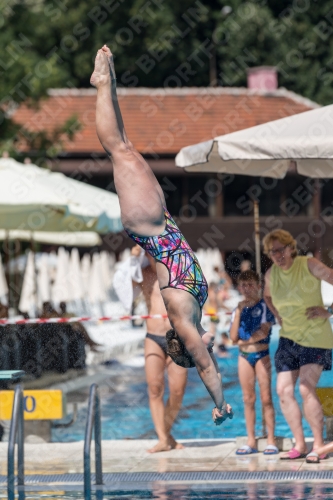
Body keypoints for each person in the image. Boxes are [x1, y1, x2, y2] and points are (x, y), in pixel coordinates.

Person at [91, 45, 232, 425]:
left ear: (189, 347)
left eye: (203, 350)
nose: (212, 350)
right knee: (126, 148)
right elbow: (209, 359)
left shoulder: (184, 320)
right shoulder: (196, 312)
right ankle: (109, 82)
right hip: (160, 221)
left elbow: (205, 368)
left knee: (120, 151)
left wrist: (219, 403)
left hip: (149, 226)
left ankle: (102, 82)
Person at [263, 229, 333, 461]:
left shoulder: (308, 264)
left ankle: (319, 446)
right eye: (272, 252)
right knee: (283, 390)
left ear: (291, 248)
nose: (277, 255)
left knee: (305, 387)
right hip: (288, 338)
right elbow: (267, 297)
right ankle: (300, 444)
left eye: (280, 250)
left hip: (316, 337)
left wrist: (329, 311)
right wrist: (277, 315)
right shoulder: (271, 274)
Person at [131, 245, 187, 453]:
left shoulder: (177, 275)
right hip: (153, 337)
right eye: (149, 253)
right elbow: (124, 288)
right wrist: (132, 260)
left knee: (178, 390)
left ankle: (166, 433)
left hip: (176, 337)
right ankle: (163, 438)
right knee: (154, 388)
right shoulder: (144, 275)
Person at [230, 270, 276, 455]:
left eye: (251, 285)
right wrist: (240, 311)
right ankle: (251, 440)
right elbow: (233, 337)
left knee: (266, 398)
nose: (247, 289)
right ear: (239, 287)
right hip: (244, 357)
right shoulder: (237, 309)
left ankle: (271, 439)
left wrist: (241, 342)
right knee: (248, 399)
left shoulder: (265, 306)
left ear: (258, 286)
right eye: (243, 285)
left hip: (261, 355)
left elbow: (263, 333)